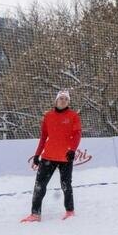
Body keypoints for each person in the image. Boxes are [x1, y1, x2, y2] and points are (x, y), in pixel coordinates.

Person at [21, 90, 82, 222]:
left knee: (66, 185)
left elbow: (77, 134)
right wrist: (37, 154)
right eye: (61, 98)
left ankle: (70, 211)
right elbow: (43, 137)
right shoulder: (48, 116)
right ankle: (35, 214)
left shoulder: (73, 116)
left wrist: (72, 150)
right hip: (48, 156)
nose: (63, 100)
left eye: (66, 99)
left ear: (68, 102)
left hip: (65, 156)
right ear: (56, 101)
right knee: (39, 185)